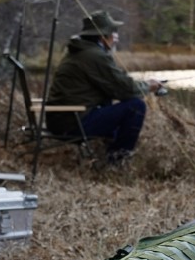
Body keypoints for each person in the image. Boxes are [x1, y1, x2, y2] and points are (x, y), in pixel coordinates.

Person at [45, 10, 163, 165]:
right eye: (113, 33)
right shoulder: (94, 55)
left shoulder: (80, 52)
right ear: (103, 37)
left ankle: (108, 157)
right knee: (135, 106)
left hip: (62, 120)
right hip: (73, 123)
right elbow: (125, 90)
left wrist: (136, 86)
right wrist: (148, 86)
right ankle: (117, 161)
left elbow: (115, 87)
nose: (115, 38)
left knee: (113, 105)